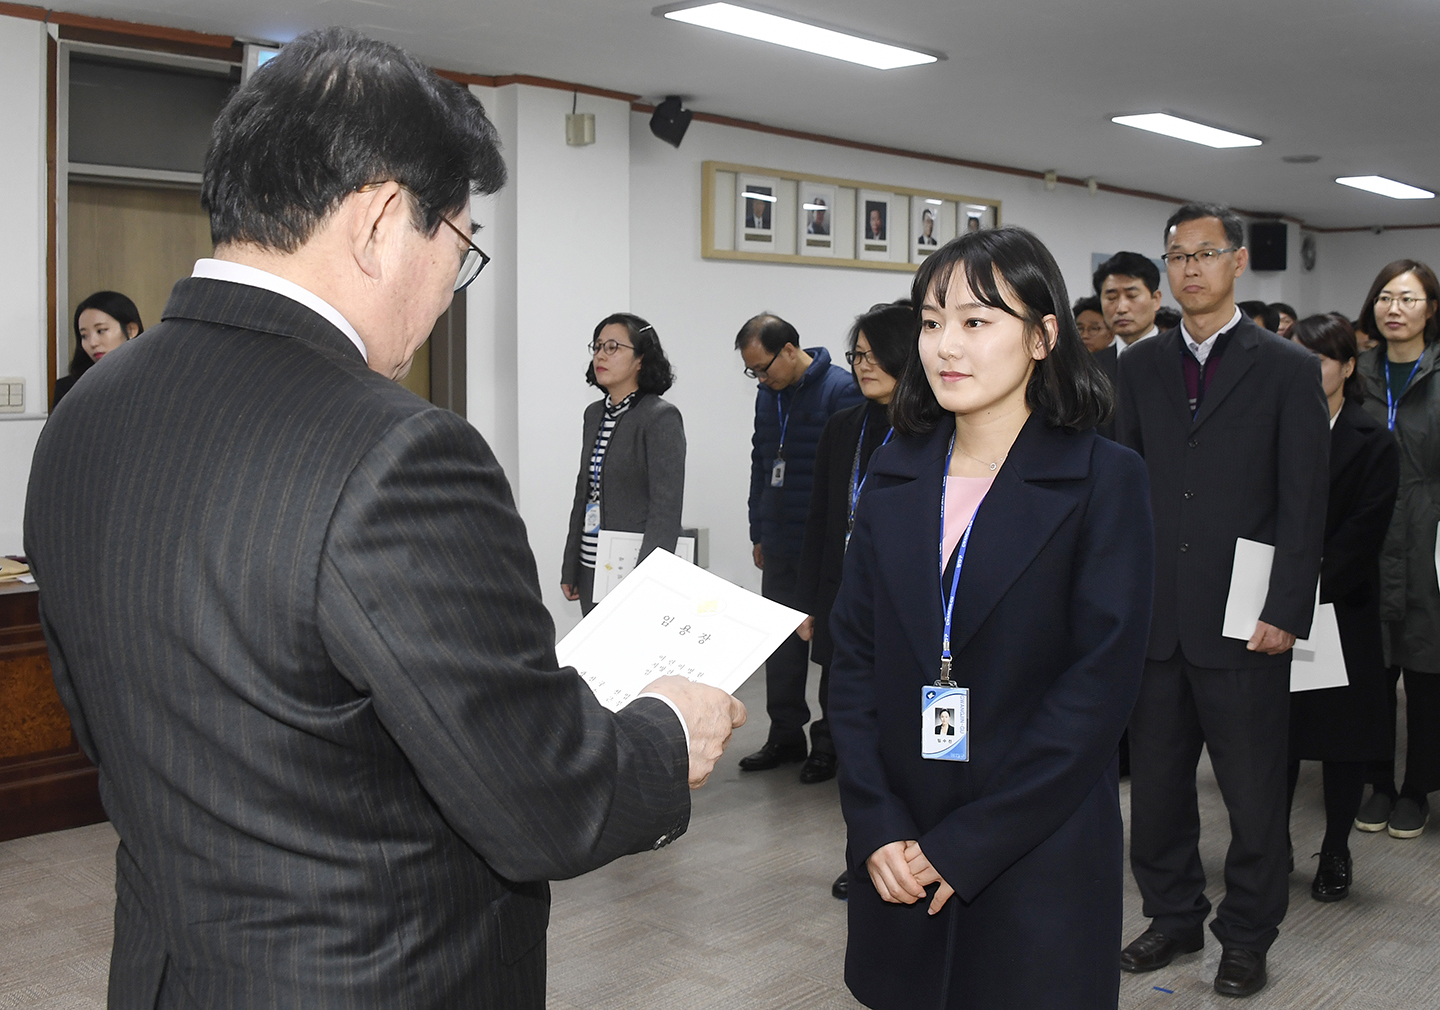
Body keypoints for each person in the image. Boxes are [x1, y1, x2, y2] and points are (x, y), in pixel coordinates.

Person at [24, 29, 744, 1009]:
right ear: (376, 221)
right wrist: (666, 725)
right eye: (460, 244)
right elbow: (538, 803)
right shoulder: (399, 451)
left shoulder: (84, 418)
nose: (452, 288)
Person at [829, 226, 1154, 1010]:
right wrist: (876, 823)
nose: (946, 346)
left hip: (1033, 842)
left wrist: (967, 844)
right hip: (900, 837)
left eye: (977, 322)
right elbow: (854, 664)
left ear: (1044, 336)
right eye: (933, 321)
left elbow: (1096, 692)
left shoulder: (1103, 479)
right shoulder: (896, 471)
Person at [1116, 203, 1329, 997]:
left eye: (1206, 254)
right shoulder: (1138, 367)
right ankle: (1171, 917)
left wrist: (1286, 608)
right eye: (1177, 256)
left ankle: (1246, 933)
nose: (1190, 268)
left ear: (1238, 262)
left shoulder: (1285, 366)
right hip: (1157, 618)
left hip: (1247, 621)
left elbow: (1304, 500)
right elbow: (1124, 486)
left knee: (1252, 795)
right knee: (1160, 790)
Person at [793, 299, 912, 900]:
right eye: (856, 355)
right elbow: (821, 521)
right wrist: (813, 601)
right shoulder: (845, 424)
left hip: (908, 610)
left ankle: (907, 848)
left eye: (872, 354)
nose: (863, 366)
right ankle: (862, 851)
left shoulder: (936, 425)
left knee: (903, 740)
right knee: (851, 734)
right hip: (846, 602)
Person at [1285, 314, 1399, 902]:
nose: (1306, 372)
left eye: (1319, 361)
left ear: (1347, 367)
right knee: (1277, 734)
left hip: (1340, 603)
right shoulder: (1272, 428)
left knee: (1340, 739)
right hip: (1275, 600)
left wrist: (1309, 580)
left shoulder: (1371, 436)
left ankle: (1334, 850)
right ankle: (1272, 843)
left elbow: (1366, 528)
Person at [737, 313, 864, 772]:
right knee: (781, 645)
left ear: (790, 350)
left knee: (828, 644)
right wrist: (758, 528)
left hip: (823, 547)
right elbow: (760, 461)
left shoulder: (841, 390)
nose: (761, 377)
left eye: (764, 367)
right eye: (752, 371)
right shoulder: (766, 398)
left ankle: (828, 744)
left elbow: (844, 478)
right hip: (779, 538)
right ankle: (784, 735)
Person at [1353, 259, 1440, 839]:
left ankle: (1417, 789)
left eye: (1409, 299)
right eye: (1385, 297)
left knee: (1428, 668)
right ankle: (1378, 781)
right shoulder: (1356, 372)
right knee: (1372, 670)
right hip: (1370, 531)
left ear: (1431, 309)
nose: (1395, 309)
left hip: (1431, 535)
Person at [561, 313, 684, 614]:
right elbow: (584, 492)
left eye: (613, 347)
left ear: (641, 359)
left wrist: (646, 577)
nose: (601, 355)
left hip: (632, 568)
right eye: (598, 346)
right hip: (591, 564)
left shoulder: (659, 417)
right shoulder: (594, 415)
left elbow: (665, 509)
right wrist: (570, 565)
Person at [53, 291, 144, 407]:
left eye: (101, 331)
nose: (92, 343)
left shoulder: (154, 380)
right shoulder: (69, 388)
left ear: (131, 330)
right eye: (84, 336)